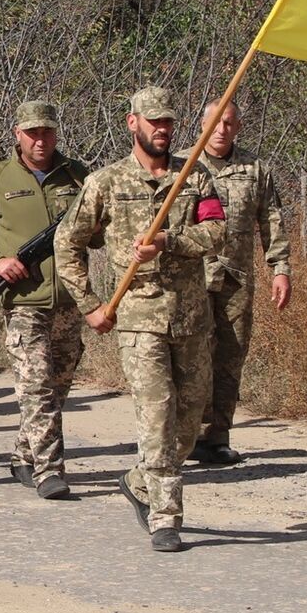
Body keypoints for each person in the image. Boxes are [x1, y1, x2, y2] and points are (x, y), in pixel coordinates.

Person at [54, 87, 227, 553]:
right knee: (157, 415)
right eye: (153, 121)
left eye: (168, 121)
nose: (162, 129)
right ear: (132, 123)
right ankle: (165, 518)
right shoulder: (106, 183)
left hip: (191, 317)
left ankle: (138, 479)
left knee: (189, 422)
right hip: (137, 319)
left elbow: (217, 230)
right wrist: (89, 302)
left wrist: (170, 242)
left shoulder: (194, 176)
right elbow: (66, 243)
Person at [0, 100, 91, 499]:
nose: (40, 140)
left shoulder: (77, 175)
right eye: (32, 132)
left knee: (59, 384)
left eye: (47, 131)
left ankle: (23, 454)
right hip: (23, 301)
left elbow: (97, 228)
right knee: (36, 388)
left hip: (68, 298)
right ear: (17, 133)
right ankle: (50, 470)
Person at [184, 98, 291, 465]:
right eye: (214, 123)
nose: (221, 130)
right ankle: (183, 435)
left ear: (238, 127)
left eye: (229, 123)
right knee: (190, 356)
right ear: (201, 125)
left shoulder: (256, 169)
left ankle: (216, 437)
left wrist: (280, 268)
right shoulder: (181, 165)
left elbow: (271, 221)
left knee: (230, 357)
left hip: (235, 277)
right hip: (190, 277)